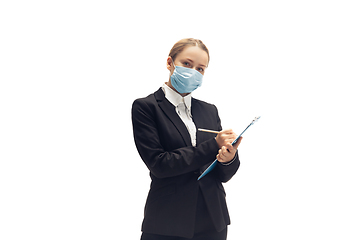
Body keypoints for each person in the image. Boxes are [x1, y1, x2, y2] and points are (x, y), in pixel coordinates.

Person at [131, 38, 242, 240]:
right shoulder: (146, 107)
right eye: (187, 64)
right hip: (167, 222)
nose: (193, 72)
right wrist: (213, 145)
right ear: (169, 63)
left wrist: (228, 158)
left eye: (200, 68)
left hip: (212, 220)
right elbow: (159, 164)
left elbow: (223, 175)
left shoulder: (209, 110)